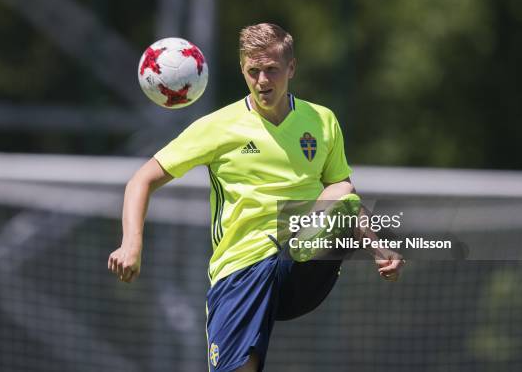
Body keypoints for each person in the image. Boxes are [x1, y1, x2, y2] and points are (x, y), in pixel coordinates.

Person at [108, 23, 404, 371]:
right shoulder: (217, 127)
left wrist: (377, 246)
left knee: (341, 191)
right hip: (241, 270)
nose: (263, 80)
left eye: (272, 70)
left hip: (299, 267)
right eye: (253, 71)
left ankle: (301, 243)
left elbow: (346, 196)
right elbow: (141, 180)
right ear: (242, 69)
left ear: (291, 68)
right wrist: (131, 244)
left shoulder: (322, 121)